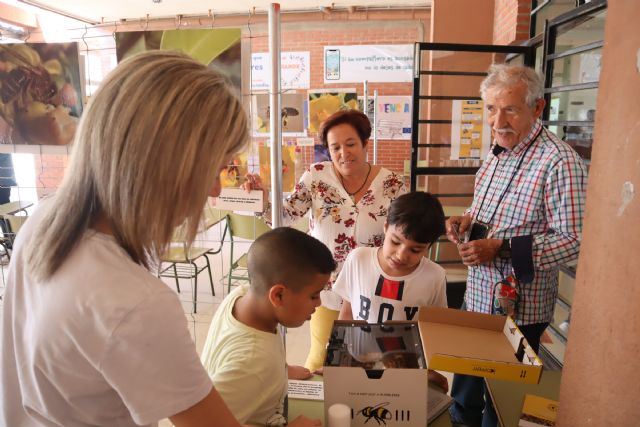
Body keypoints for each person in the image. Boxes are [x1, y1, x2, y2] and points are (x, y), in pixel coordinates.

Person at [0, 51, 319, 427]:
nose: (215, 188)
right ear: (169, 163)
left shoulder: (45, 219)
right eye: (213, 169)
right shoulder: (134, 301)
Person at [445, 64, 587, 427]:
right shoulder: (496, 153)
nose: (497, 120)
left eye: (509, 108)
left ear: (537, 108)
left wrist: (502, 248)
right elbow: (486, 209)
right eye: (491, 109)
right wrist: (466, 221)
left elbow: (574, 241)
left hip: (519, 312)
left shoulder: (560, 162)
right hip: (476, 299)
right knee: (463, 399)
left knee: (503, 407)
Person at [244, 109, 405, 372]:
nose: (344, 153)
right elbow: (284, 216)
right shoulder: (317, 176)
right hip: (326, 288)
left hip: (373, 289)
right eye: (335, 147)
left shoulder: (392, 183)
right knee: (321, 357)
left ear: (365, 143)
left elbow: (403, 232)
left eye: (351, 144)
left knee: (374, 360)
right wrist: (262, 199)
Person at [200, 227, 336, 425]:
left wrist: (281, 371)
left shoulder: (241, 295)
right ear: (278, 295)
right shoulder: (256, 361)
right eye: (314, 295)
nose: (319, 304)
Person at [333, 191, 449, 392]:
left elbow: (434, 330)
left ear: (429, 247)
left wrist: (425, 371)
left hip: (406, 369)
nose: (401, 255)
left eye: (415, 250)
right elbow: (347, 314)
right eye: (395, 242)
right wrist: (336, 359)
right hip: (361, 362)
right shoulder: (358, 259)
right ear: (385, 227)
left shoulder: (435, 276)